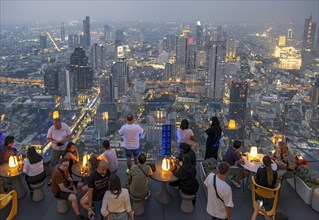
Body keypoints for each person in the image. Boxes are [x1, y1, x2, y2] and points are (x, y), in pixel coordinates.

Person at [47, 118, 72, 186]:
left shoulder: (65, 126)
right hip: (56, 148)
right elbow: (48, 138)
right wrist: (55, 142)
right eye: (55, 126)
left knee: (66, 162)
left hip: (64, 147)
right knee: (53, 163)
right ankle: (53, 177)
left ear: (60, 124)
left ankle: (66, 177)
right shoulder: (51, 129)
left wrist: (65, 140)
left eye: (58, 126)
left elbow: (69, 134)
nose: (57, 127)